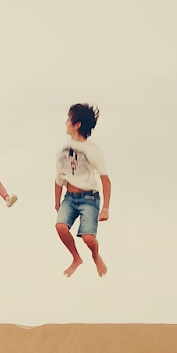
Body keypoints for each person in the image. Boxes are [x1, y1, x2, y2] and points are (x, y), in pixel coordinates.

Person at [55, 102, 110, 278]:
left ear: (77, 124)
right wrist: (57, 202)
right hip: (69, 197)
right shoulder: (64, 149)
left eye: (68, 120)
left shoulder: (92, 150)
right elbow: (59, 177)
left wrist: (106, 208)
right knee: (61, 227)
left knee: (88, 238)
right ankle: (76, 258)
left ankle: (95, 255)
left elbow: (105, 179)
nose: (66, 123)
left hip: (89, 198)